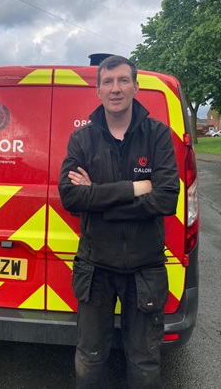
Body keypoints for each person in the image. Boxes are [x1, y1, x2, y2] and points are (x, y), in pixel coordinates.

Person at [58, 55, 180, 388]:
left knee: (144, 362)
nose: (116, 89)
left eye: (123, 81)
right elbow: (70, 197)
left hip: (146, 267)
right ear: (98, 90)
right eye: (108, 82)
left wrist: (98, 200)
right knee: (90, 358)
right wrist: (134, 189)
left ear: (135, 87)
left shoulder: (157, 135)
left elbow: (167, 198)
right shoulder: (82, 140)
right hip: (95, 267)